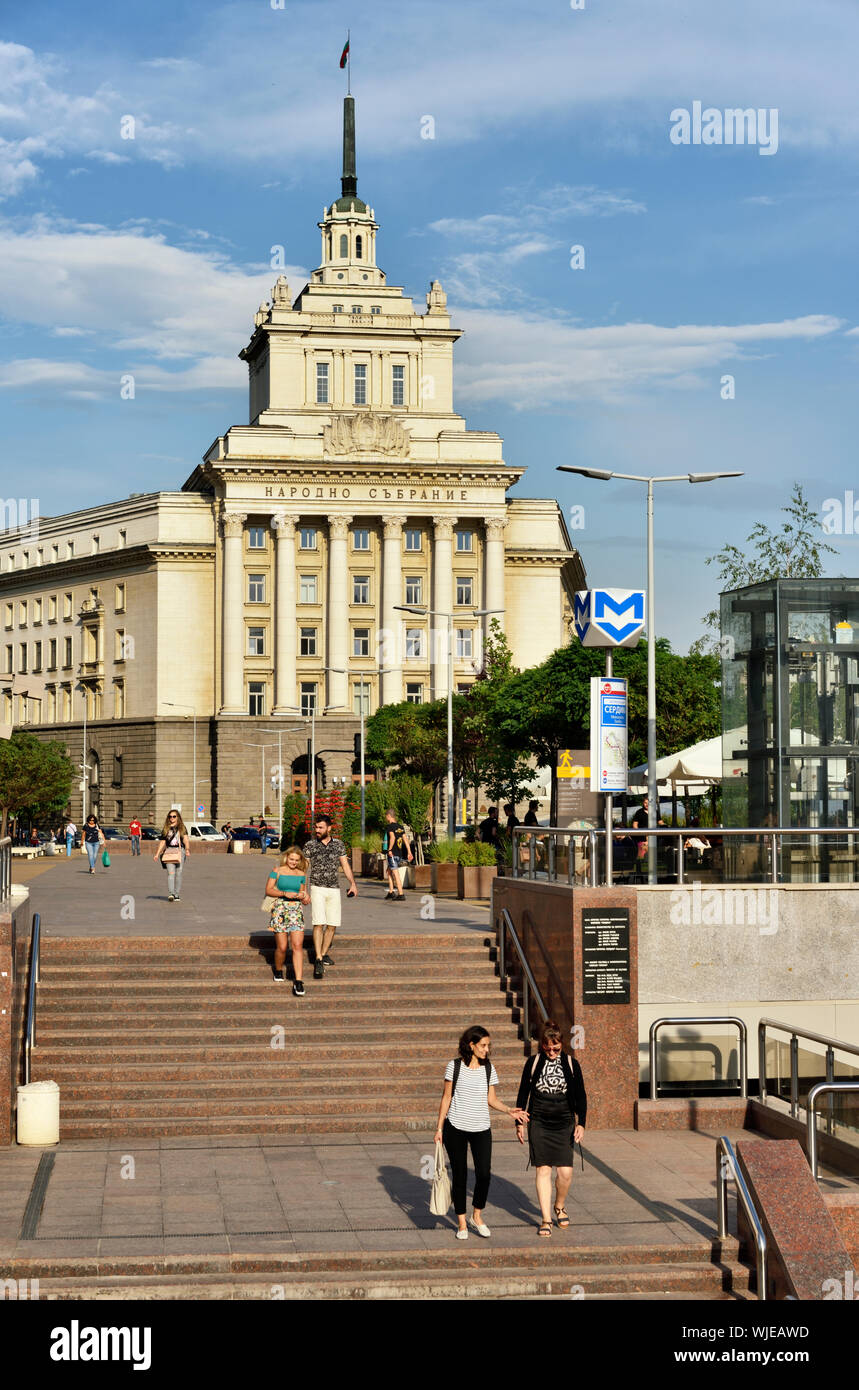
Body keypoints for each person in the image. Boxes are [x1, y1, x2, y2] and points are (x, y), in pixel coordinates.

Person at [434, 1025, 528, 1240]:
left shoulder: (488, 1068)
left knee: (484, 1174)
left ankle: (477, 1215)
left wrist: (508, 1111)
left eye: (488, 1045)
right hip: (455, 1127)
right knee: (459, 1174)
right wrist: (439, 1128)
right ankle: (461, 1223)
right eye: (483, 1045)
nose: (487, 1049)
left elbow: (491, 1099)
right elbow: (446, 1098)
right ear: (472, 1045)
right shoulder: (454, 1066)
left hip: (481, 1128)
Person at [515, 1019, 587, 1237]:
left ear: (562, 1044)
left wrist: (581, 1123)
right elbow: (523, 1092)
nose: (553, 1051)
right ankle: (546, 1219)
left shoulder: (572, 1064)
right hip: (539, 1120)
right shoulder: (534, 1062)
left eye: (556, 1047)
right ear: (542, 1044)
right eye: (548, 1047)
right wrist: (519, 1122)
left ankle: (559, 1205)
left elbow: (581, 1096)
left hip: (564, 1119)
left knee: (565, 1173)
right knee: (543, 1169)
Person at [303, 814, 358, 978]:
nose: (317, 830)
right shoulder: (310, 845)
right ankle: (319, 959)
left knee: (332, 924)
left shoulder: (339, 845)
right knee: (318, 923)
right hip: (317, 887)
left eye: (320, 827)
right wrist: (303, 889)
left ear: (329, 828)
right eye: (316, 827)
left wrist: (353, 884)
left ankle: (323, 953)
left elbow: (345, 865)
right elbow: (303, 868)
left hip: (334, 888)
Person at [265, 846, 311, 996]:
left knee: (297, 945)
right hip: (280, 910)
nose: (294, 862)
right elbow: (268, 890)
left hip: (296, 911)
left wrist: (305, 897)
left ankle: (298, 981)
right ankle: (278, 969)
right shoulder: (276, 870)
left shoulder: (302, 874)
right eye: (291, 859)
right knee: (283, 947)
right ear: (286, 858)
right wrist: (285, 893)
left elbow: (303, 892)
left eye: (297, 860)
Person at [153, 809, 191, 902]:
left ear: (178, 817)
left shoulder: (182, 827)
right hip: (169, 851)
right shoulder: (166, 828)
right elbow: (162, 842)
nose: (172, 818)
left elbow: (186, 839)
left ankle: (177, 894)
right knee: (171, 873)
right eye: (170, 816)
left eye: (174, 816)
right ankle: (171, 894)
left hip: (180, 851)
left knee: (179, 873)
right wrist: (157, 854)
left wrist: (187, 849)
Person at [383, 807, 413, 902]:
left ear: (389, 816)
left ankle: (401, 894)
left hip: (392, 853)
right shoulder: (400, 827)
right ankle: (391, 892)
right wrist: (409, 852)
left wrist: (389, 849)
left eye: (386, 816)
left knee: (395, 873)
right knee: (389, 871)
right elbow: (405, 840)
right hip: (399, 853)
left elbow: (392, 838)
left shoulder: (390, 827)